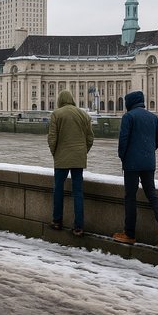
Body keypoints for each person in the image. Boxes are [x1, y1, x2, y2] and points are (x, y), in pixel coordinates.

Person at [113, 90, 158, 248]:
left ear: (129, 103)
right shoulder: (153, 117)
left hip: (132, 164)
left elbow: (123, 141)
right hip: (149, 163)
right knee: (152, 195)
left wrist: (123, 156)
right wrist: (148, 152)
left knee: (130, 197)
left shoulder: (129, 117)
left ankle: (129, 234)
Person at [47, 90, 94, 236]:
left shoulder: (56, 114)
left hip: (61, 157)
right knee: (78, 192)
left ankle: (57, 221)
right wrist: (82, 152)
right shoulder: (84, 114)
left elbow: (52, 138)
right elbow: (90, 138)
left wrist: (55, 153)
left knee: (58, 189)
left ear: (60, 100)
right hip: (78, 158)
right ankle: (78, 227)